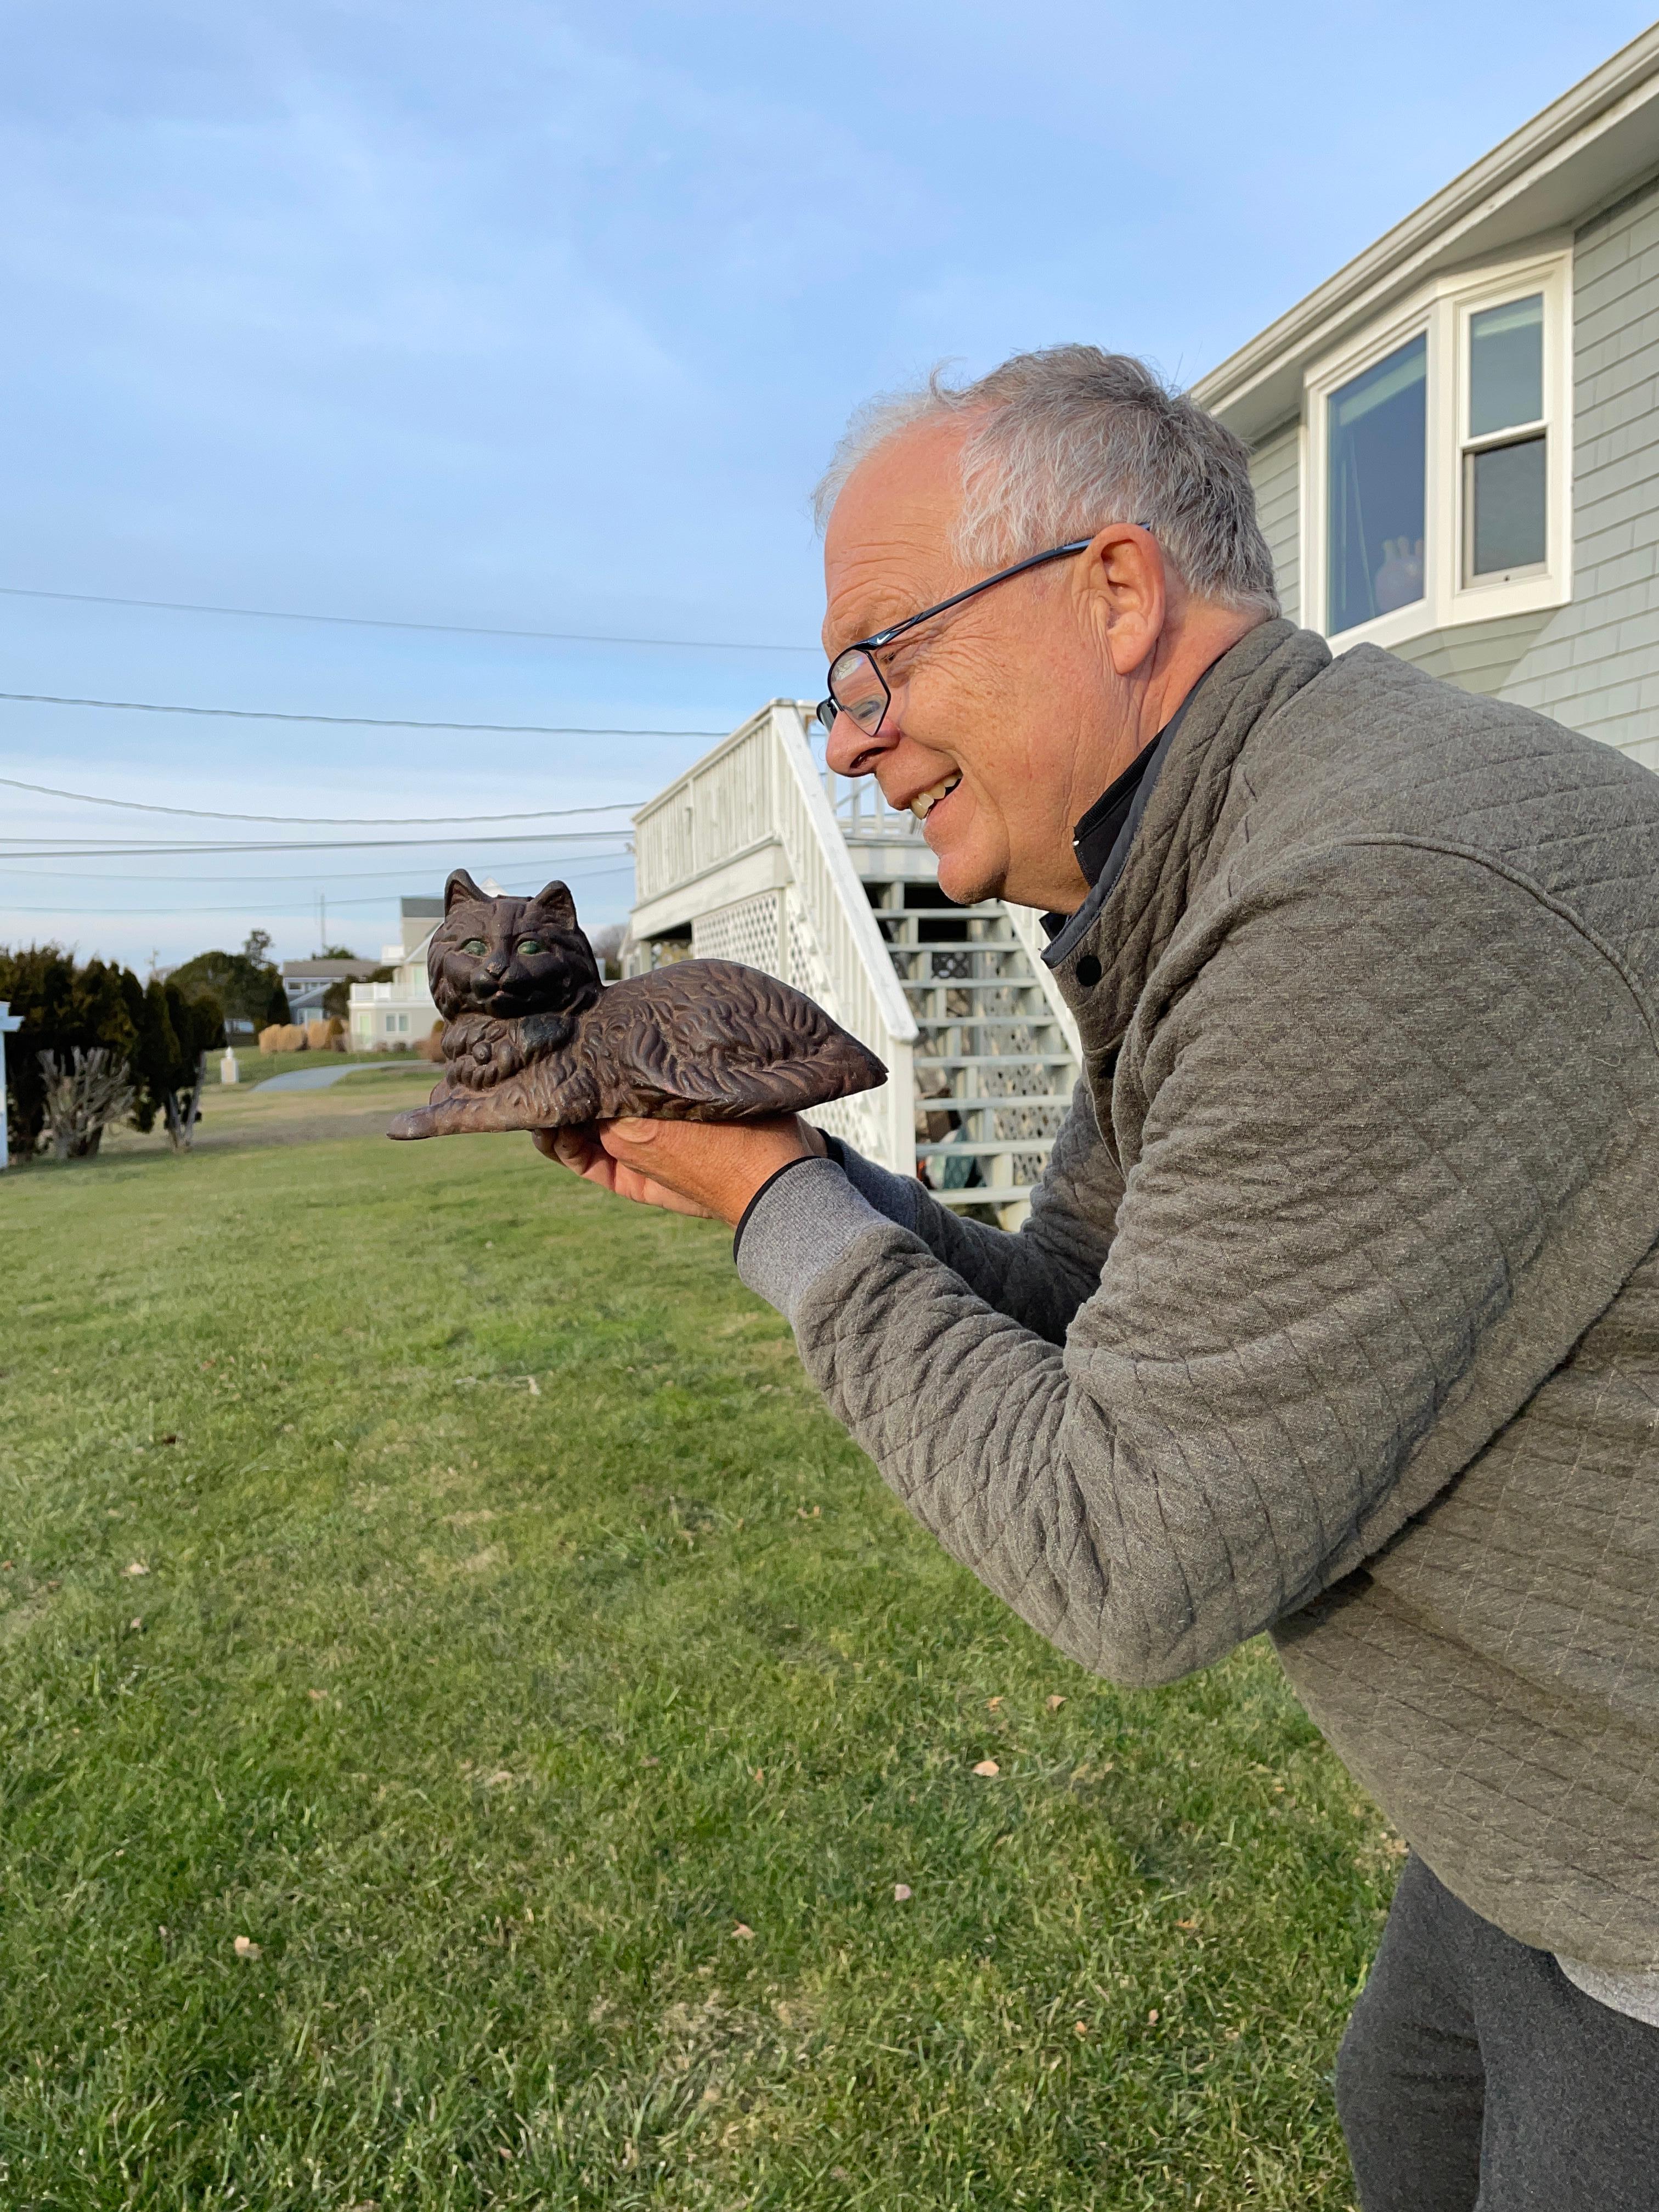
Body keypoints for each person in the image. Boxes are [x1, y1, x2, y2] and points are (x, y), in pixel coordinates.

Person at [541, 346, 1659, 2209]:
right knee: (1406, 2116)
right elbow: (1073, 1300)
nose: (848, 740)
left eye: (881, 661)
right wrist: (794, 1174)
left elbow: (1129, 1552)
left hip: (1640, 1884)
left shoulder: (1370, 895)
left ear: (1117, 593)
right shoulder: (1228, 855)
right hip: (1526, 1819)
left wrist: (776, 1215)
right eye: (836, 690)